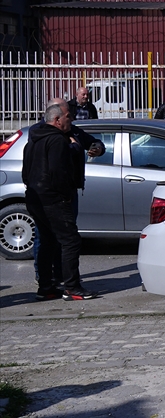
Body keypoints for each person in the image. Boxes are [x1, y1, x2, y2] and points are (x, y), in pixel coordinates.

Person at [21, 102, 100, 300]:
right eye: (68, 117)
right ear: (57, 120)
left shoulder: (33, 139)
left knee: (48, 240)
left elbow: (26, 172)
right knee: (70, 241)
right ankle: (72, 287)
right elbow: (59, 171)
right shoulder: (57, 140)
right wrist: (74, 148)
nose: (71, 121)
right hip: (53, 199)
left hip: (35, 196)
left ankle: (46, 286)